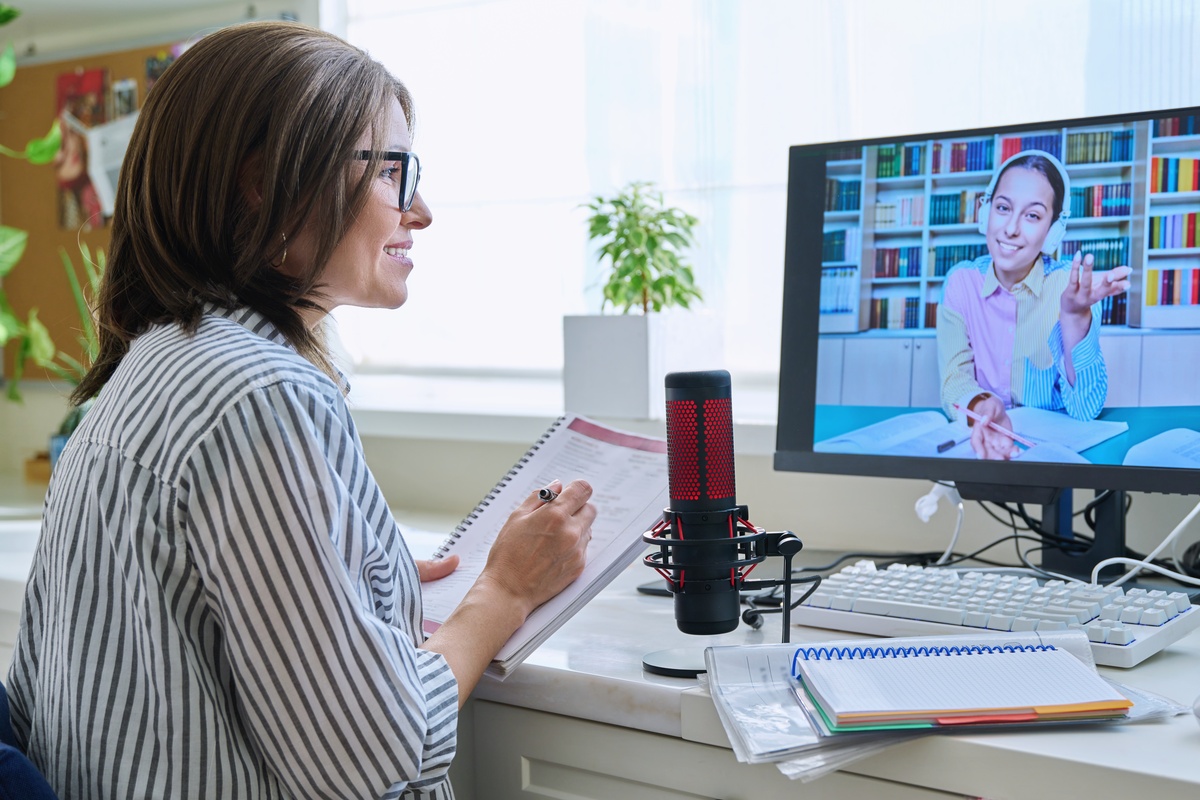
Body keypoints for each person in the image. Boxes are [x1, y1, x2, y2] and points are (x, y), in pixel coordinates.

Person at [6, 21, 596, 800]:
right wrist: (503, 594)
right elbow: (368, 759)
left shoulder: (156, 365)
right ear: (265, 181)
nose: (419, 210)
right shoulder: (259, 394)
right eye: (393, 170)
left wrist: (353, 580)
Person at [937, 149, 1132, 460]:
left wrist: (1073, 318)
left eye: (1032, 215)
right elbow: (954, 381)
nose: (1011, 228)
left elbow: (1085, 409)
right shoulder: (961, 283)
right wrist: (982, 408)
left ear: (1053, 231)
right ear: (985, 212)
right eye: (1002, 208)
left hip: (1050, 458)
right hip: (980, 448)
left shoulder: (1072, 288)